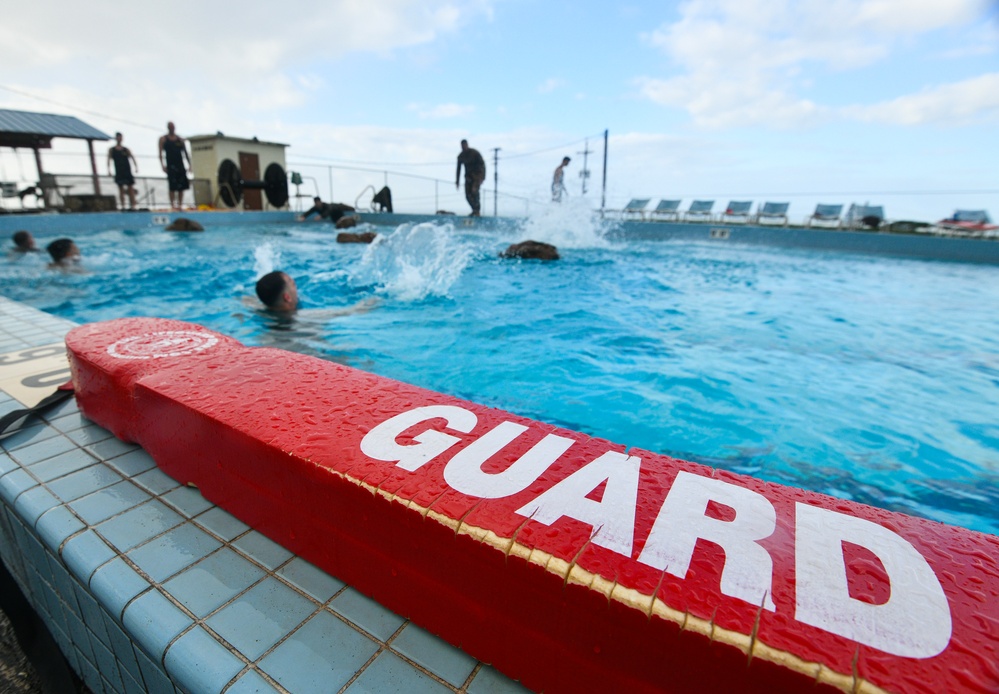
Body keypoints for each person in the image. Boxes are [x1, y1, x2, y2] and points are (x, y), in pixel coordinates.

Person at [158, 122, 191, 210]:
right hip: (170, 165)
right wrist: (162, 165)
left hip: (180, 164)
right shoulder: (163, 139)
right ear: (168, 128)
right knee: (172, 186)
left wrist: (190, 165)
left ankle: (180, 204)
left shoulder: (180, 139)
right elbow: (160, 153)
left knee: (181, 186)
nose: (172, 128)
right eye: (170, 127)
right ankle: (172, 204)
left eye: (173, 127)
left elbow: (186, 153)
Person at [107, 132, 139, 210]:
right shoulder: (112, 150)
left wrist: (136, 167)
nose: (120, 139)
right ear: (116, 138)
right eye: (118, 137)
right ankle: (123, 205)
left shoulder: (126, 149)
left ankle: (133, 205)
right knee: (120, 188)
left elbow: (132, 157)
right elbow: (108, 160)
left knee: (130, 188)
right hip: (119, 171)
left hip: (127, 170)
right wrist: (109, 170)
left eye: (121, 137)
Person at [455, 139, 486, 217]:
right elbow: (458, 169)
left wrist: (482, 177)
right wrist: (457, 181)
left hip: (477, 176)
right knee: (468, 195)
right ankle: (474, 210)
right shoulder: (460, 156)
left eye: (464, 145)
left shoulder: (475, 153)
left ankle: (477, 211)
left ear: (467, 145)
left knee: (474, 191)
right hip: (468, 177)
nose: (463, 147)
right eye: (462, 146)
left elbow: (482, 164)